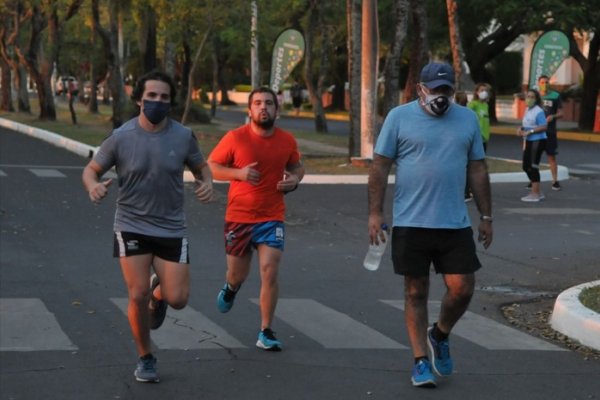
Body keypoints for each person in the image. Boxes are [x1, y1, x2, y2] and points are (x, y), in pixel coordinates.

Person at [82, 70, 214, 383]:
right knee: (136, 294)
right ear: (139, 98)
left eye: (164, 97)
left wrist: (207, 183)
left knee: (178, 298)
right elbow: (91, 169)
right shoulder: (122, 136)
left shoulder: (182, 135)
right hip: (131, 224)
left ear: (170, 102)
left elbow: (202, 167)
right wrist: (93, 186)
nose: (157, 101)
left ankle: (160, 292)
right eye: (151, 96)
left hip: (171, 227)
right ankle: (146, 357)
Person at [367, 62, 493, 388]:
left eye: (446, 90)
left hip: (454, 223)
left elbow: (478, 169)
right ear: (420, 88)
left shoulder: (467, 119)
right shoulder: (398, 117)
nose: (440, 96)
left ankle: (440, 333)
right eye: (434, 89)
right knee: (415, 291)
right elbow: (380, 166)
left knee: (463, 288)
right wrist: (375, 213)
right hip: (411, 222)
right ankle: (420, 360)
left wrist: (486, 216)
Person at [208, 87, 305, 352]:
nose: (264, 107)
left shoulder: (286, 141)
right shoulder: (235, 138)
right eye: (258, 103)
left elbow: (296, 166)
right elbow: (212, 167)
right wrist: (238, 174)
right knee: (238, 274)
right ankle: (230, 287)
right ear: (249, 110)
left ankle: (266, 330)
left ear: (277, 110)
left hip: (272, 217)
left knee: (269, 271)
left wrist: (294, 180)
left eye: (269, 103)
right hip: (239, 218)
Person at [518, 89, 547, 202]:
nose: (529, 99)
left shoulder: (538, 111)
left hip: (538, 140)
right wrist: (521, 129)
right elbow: (526, 125)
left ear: (536, 99)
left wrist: (530, 132)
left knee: (533, 166)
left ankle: (535, 194)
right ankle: (537, 190)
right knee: (525, 166)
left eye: (532, 97)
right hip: (529, 140)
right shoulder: (527, 110)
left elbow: (544, 126)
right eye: (527, 96)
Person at [537, 75, 563, 190]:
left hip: (550, 132)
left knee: (551, 156)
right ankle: (532, 180)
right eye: (542, 82)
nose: (544, 84)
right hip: (536, 132)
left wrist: (553, 116)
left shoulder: (555, 96)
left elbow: (561, 113)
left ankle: (555, 181)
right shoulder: (535, 96)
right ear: (538, 83)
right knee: (534, 158)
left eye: (546, 82)